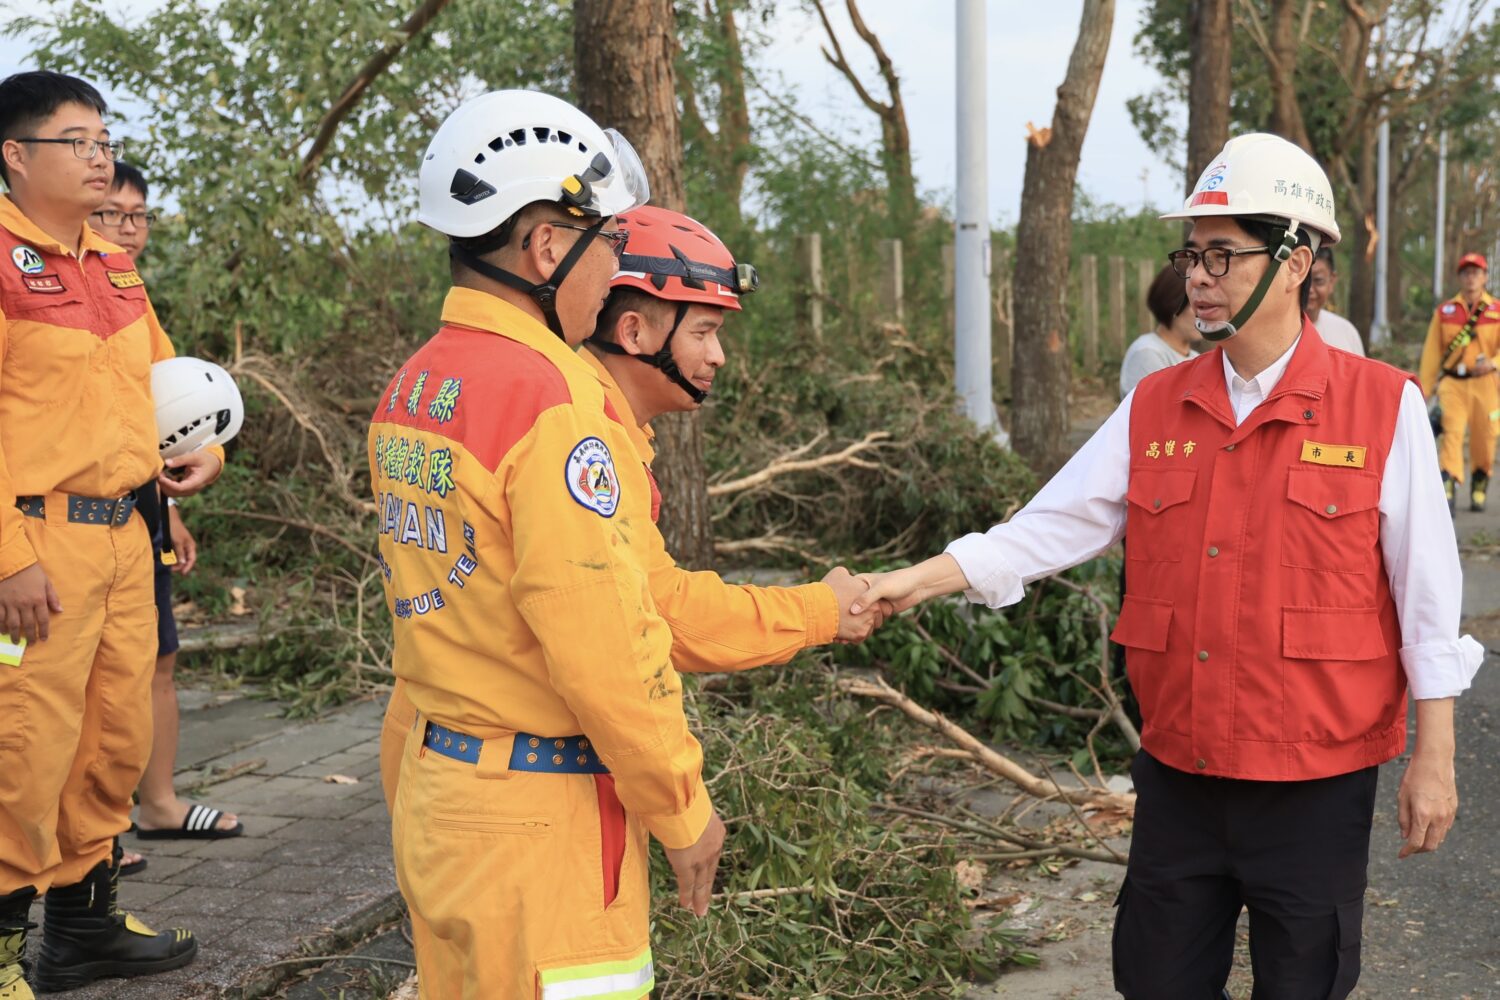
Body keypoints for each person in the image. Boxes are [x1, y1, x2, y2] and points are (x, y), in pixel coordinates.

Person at [851, 132, 1482, 1000]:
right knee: (1154, 980)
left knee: (1305, 981)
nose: (1198, 276)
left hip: (1312, 779)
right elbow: (1048, 527)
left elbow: (1425, 591)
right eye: (1192, 254)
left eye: (1223, 255)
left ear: (1295, 262)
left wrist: (1433, 757)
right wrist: (915, 581)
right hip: (1180, 770)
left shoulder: (1382, 407)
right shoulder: (1159, 401)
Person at [373, 90, 777, 998]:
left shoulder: (417, 383)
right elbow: (605, 643)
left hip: (444, 798)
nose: (614, 268)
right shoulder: (551, 404)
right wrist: (682, 808)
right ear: (548, 246)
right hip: (540, 826)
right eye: (609, 242)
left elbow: (428, 625)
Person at [0, 71, 223, 996]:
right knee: (24, 746)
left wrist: (195, 457)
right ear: (15, 157)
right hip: (34, 546)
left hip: (126, 538)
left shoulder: (115, 262)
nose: (100, 156)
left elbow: (158, 385)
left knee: (113, 740)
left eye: (103, 138)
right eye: (76, 139)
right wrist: (7, 558)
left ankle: (82, 930)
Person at [91, 165, 241, 883]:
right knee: (69, 680)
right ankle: (81, 840)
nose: (126, 227)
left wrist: (176, 501)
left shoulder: (127, 292)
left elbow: (162, 403)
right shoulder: (30, 283)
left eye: (138, 215)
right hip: (55, 519)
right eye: (111, 213)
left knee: (154, 659)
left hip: (137, 511)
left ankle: (156, 803)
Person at [1419, 252, 1499, 513]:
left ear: (1485, 277)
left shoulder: (1496, 311)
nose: (1471, 277)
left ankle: (1480, 481)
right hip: (1453, 385)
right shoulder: (1445, 312)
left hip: (1486, 385)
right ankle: (1448, 484)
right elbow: (1432, 353)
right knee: (1451, 434)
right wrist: (1424, 390)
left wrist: (1494, 363)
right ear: (1460, 277)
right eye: (1466, 272)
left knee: (1485, 438)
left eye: (1476, 272)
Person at [1120, 263, 1200, 398]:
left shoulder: (1196, 358)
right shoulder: (1148, 353)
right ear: (1174, 303)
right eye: (1196, 304)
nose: (1203, 313)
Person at [1306, 246, 1365, 356]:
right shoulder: (1275, 331)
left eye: (1318, 280)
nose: (1309, 289)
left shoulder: (1346, 332)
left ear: (1331, 281)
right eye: (1304, 280)